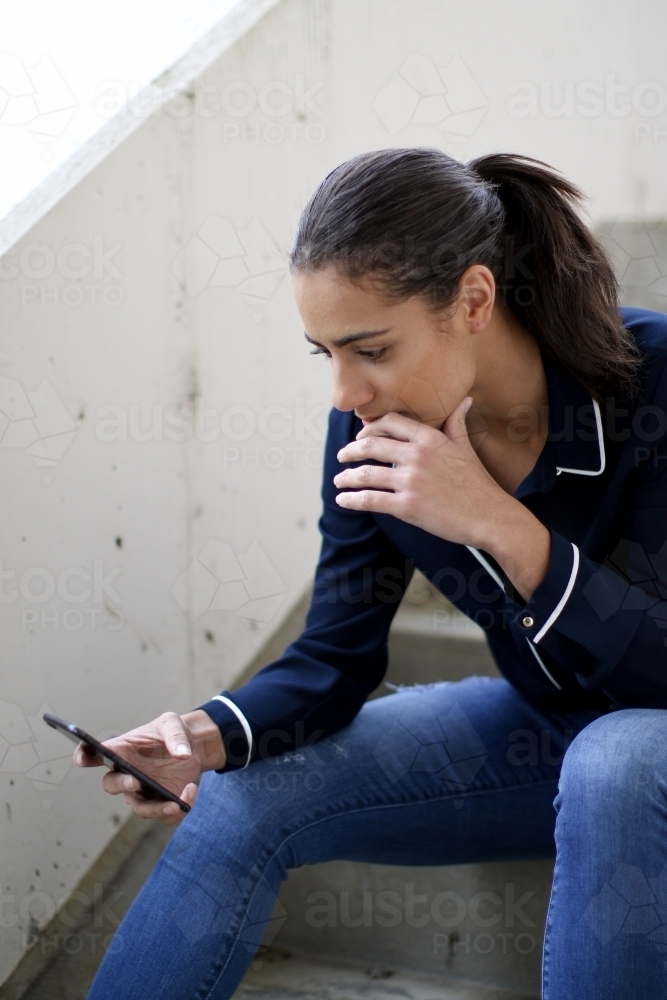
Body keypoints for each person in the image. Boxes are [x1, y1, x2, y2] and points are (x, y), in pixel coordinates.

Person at [79, 149, 667, 999]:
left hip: (634, 749)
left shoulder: (650, 376)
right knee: (244, 793)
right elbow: (336, 654)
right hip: (550, 734)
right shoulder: (371, 426)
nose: (343, 390)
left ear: (472, 299)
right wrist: (206, 735)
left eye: (369, 348)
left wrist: (501, 525)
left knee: (615, 761)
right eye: (323, 352)